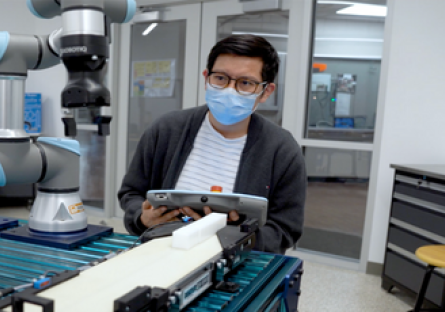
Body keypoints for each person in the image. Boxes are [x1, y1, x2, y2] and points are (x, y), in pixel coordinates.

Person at [118, 34, 306, 254]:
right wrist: (142, 218)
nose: (229, 90)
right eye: (220, 78)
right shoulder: (167, 130)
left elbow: (286, 230)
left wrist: (237, 234)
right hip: (162, 254)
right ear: (206, 77)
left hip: (235, 266)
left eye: (246, 83)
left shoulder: (282, 150)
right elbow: (131, 193)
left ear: (266, 92)